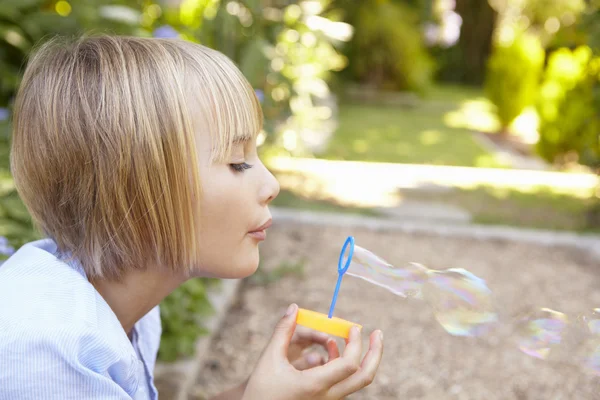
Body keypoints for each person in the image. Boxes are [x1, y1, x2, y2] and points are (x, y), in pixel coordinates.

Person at [0, 35, 384, 400]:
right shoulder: (44, 349)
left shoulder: (122, 313)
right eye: (237, 162)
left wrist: (252, 392)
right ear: (136, 192)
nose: (271, 184)